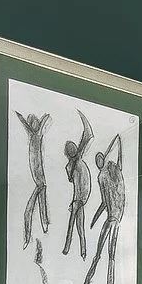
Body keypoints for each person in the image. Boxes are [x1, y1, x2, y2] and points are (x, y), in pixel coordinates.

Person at [82, 131, 127, 284]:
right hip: (110, 217)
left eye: (100, 159)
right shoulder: (101, 176)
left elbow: (119, 154)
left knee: (111, 255)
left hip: (116, 218)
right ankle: (87, 281)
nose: (98, 162)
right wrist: (95, 218)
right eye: (97, 161)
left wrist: (119, 142)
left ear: (103, 159)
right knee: (99, 252)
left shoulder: (112, 169)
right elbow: (103, 201)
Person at [15, 109, 54, 271]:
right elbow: (25, 122)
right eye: (33, 122)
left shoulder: (37, 135)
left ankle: (44, 226)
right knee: (39, 194)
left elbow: (45, 119)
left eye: (35, 122)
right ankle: (41, 227)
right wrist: (20, 116)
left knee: (41, 192)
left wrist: (44, 117)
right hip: (37, 175)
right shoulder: (32, 134)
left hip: (39, 176)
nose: (34, 124)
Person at [59, 110, 95, 261]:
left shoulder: (76, 162)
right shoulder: (70, 165)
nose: (73, 149)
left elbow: (88, 136)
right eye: (71, 149)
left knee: (75, 224)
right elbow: (72, 180)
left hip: (80, 198)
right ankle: (81, 251)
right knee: (77, 224)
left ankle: (73, 249)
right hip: (79, 198)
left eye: (73, 147)